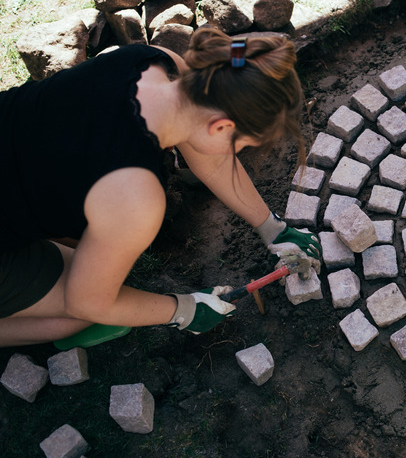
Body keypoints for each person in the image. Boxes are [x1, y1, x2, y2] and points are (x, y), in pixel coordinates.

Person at [0, 27, 321, 347]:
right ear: (222, 126)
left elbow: (212, 160)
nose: (237, 152)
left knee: (97, 248)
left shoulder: (153, 62)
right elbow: (85, 301)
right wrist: (183, 309)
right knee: (85, 309)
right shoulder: (136, 199)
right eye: (243, 144)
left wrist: (271, 227)